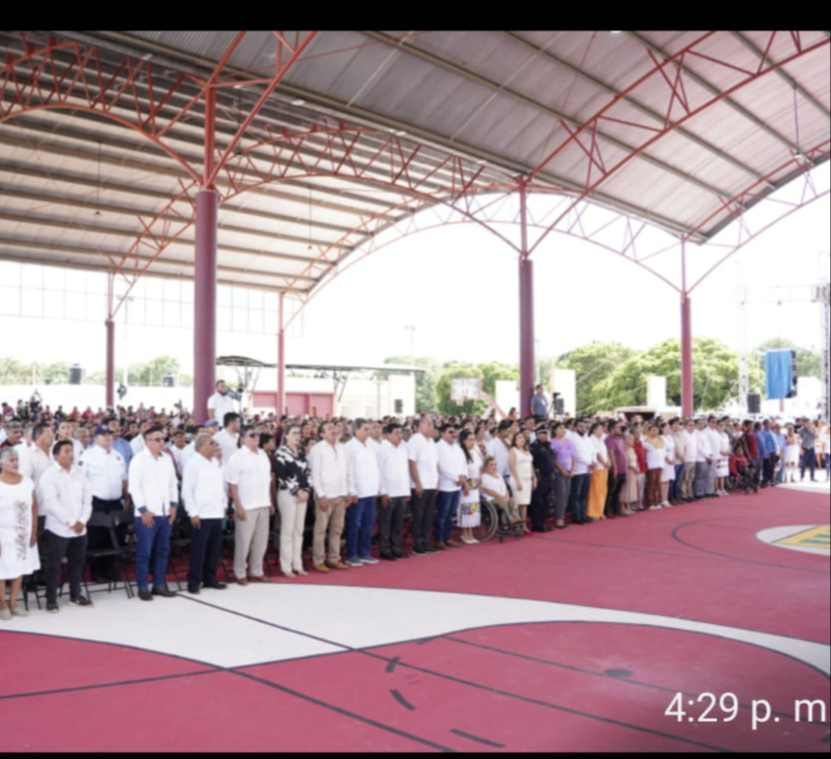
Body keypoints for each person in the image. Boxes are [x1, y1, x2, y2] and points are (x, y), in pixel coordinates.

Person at [37, 440, 93, 613]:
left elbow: (87, 499)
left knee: (77, 563)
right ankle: (51, 598)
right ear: (56, 456)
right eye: (66, 451)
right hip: (58, 529)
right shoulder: (49, 475)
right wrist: (71, 522)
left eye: (72, 451)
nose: (71, 454)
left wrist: (82, 520)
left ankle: (75, 595)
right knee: (54, 565)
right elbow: (51, 503)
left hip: (80, 528)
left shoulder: (80, 473)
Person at [128, 425, 179, 601]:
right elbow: (133, 486)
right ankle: (142, 586)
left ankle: (159, 584)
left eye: (163, 439)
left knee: (163, 550)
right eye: (157, 439)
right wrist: (142, 510)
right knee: (144, 552)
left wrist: (174, 505)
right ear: (147, 442)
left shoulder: (166, 459)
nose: (161, 442)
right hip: (147, 514)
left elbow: (173, 483)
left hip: (165, 513)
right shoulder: (138, 460)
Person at [225, 425, 275, 584]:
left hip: (262, 503)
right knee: (243, 542)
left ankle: (256, 570)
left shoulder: (263, 455)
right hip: (246, 505)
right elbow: (232, 484)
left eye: (258, 435)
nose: (256, 438)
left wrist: (269, 501)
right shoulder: (237, 457)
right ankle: (240, 573)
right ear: (242, 439)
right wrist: (238, 506)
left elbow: (267, 481)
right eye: (252, 435)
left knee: (261, 541)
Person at [79, 425, 128, 582]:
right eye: (104, 434)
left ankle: (109, 568)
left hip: (116, 502)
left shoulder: (118, 455)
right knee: (97, 539)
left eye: (110, 434)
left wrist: (127, 498)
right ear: (96, 438)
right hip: (96, 502)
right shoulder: (87, 456)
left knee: (117, 537)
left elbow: (123, 479)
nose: (108, 437)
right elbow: (80, 482)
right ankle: (97, 571)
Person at [181, 434, 227, 593]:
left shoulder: (215, 462)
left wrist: (224, 504)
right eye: (211, 443)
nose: (215, 445)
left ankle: (210, 578)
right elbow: (187, 490)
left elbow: (220, 487)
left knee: (214, 549)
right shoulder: (193, 463)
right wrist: (192, 512)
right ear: (200, 446)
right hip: (201, 514)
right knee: (199, 550)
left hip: (216, 512)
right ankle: (194, 581)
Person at [0, 447, 40, 620]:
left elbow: (34, 507)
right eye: (11, 460)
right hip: (3, 533)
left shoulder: (27, 482)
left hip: (23, 533)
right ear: (2, 463)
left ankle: (14, 603)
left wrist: (33, 531)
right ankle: (2, 604)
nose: (15, 463)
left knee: (19, 568)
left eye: (16, 459)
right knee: (2, 569)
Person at [308, 421, 353, 572]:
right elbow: (315, 474)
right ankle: (318, 560)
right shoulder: (317, 449)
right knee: (321, 530)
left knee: (337, 530)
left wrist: (348, 492)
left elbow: (348, 471)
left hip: (340, 494)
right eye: (329, 429)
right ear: (322, 434)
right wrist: (321, 495)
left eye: (334, 428)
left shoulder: (342, 448)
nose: (334, 431)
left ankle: (334, 558)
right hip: (325, 495)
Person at [274, 425, 311, 577]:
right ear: (286, 435)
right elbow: (282, 475)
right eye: (294, 433)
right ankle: (286, 566)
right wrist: (297, 490)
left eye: (299, 433)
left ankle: (298, 563)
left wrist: (307, 490)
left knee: (299, 530)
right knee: (288, 531)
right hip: (288, 494)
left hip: (303, 495)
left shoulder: (302, 452)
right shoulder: (281, 452)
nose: (298, 436)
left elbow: (308, 472)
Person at [344, 419, 381, 566]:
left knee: (368, 523)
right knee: (355, 524)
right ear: (356, 430)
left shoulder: (370, 446)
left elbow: (374, 468)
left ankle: (365, 552)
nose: (368, 432)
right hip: (357, 492)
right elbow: (349, 471)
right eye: (365, 429)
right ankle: (352, 554)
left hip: (370, 491)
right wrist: (351, 491)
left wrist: (377, 487)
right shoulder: (349, 447)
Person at [407, 416, 440, 555]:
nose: (431, 427)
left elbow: (434, 464)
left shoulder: (432, 441)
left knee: (428, 515)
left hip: (432, 483)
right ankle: (417, 544)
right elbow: (412, 463)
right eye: (428, 424)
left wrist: (437, 481)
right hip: (420, 484)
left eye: (432, 424)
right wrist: (417, 483)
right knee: (418, 515)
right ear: (420, 426)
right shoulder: (415, 440)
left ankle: (425, 541)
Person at [378, 423, 410, 559]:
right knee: (386, 523)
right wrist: (383, 492)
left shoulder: (403, 448)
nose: (399, 436)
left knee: (398, 523)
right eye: (396, 433)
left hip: (401, 491)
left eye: (400, 433)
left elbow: (405, 471)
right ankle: (385, 549)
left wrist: (407, 491)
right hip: (388, 493)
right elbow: (379, 472)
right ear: (388, 435)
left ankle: (395, 547)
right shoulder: (382, 449)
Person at [435, 424, 467, 549]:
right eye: (450, 432)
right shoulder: (438, 447)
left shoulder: (457, 447)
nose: (454, 434)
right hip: (445, 486)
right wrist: (456, 478)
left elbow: (464, 463)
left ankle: (447, 537)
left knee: (451, 514)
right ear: (442, 434)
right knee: (442, 514)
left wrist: (463, 476)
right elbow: (441, 467)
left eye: (454, 432)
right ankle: (439, 539)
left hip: (457, 486)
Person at [480, 456, 521, 526]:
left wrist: (507, 496)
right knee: (502, 502)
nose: (494, 467)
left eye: (495, 464)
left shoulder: (499, 475)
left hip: (502, 497)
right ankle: (509, 519)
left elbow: (505, 488)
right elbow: (489, 490)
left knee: (512, 501)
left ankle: (516, 518)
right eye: (491, 465)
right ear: (486, 466)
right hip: (491, 499)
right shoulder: (484, 477)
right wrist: (501, 497)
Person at [458, 429, 483, 544]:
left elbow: (479, 468)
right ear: (464, 441)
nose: (473, 442)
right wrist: (465, 485)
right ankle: (465, 533)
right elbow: (461, 471)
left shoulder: (475, 453)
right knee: (466, 508)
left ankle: (471, 532)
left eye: (474, 439)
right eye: (470, 440)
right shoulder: (461, 454)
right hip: (466, 484)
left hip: (475, 484)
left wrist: (480, 481)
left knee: (473, 508)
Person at [508, 430, 535, 533]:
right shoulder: (513, 450)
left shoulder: (526, 451)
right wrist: (517, 480)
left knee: (525, 504)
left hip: (527, 479)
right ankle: (516, 525)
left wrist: (534, 477)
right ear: (514, 440)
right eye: (519, 437)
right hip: (517, 479)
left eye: (523, 437)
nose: (522, 439)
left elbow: (530, 464)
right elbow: (512, 466)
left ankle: (523, 525)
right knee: (517, 503)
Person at [529, 425, 555, 532]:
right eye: (543, 433)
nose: (546, 435)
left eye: (547, 433)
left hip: (548, 476)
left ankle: (543, 522)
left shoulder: (548, 445)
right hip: (540, 476)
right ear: (538, 434)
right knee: (538, 501)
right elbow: (531, 463)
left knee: (546, 500)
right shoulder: (534, 447)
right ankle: (537, 524)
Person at [569, 420, 593, 524]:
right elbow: (576, 454)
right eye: (580, 426)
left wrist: (593, 462)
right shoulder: (573, 439)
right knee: (576, 494)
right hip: (578, 470)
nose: (583, 428)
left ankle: (583, 514)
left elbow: (592, 451)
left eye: (585, 426)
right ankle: (576, 516)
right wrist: (589, 462)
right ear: (575, 428)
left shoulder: (587, 438)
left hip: (588, 470)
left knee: (584, 494)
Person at [550, 423, 574, 529]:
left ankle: (562, 516)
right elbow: (554, 459)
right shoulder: (553, 443)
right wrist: (562, 470)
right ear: (555, 430)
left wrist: (572, 470)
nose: (562, 430)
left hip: (569, 470)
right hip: (558, 472)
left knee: (567, 494)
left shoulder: (569, 442)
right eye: (560, 428)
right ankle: (559, 518)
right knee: (561, 494)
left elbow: (573, 457)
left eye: (563, 428)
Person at [586, 422, 610, 521]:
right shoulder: (591, 439)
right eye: (599, 429)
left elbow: (605, 452)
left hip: (604, 468)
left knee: (602, 491)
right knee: (595, 491)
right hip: (597, 468)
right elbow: (597, 454)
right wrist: (604, 462)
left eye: (601, 429)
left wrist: (608, 461)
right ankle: (593, 512)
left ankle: (600, 511)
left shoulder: (601, 440)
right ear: (593, 430)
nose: (601, 431)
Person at [604, 420, 628, 518]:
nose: (620, 429)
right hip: (615, 470)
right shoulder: (609, 440)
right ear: (611, 429)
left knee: (618, 491)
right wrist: (615, 468)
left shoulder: (620, 439)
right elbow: (611, 454)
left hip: (623, 468)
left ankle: (616, 509)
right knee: (610, 491)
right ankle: (607, 510)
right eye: (617, 428)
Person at [642, 424, 667, 510]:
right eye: (652, 430)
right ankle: (650, 502)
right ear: (649, 431)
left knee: (658, 484)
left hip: (660, 464)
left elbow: (664, 451)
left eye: (656, 430)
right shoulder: (646, 441)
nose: (655, 432)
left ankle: (658, 501)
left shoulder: (661, 440)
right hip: (651, 464)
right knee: (651, 484)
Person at [621, 432, 640, 516]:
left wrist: (637, 467)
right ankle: (623, 507)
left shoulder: (632, 449)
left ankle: (628, 506)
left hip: (634, 471)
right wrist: (633, 468)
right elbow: (626, 462)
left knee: (631, 488)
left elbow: (635, 460)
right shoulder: (624, 449)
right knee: (626, 488)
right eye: (631, 439)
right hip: (628, 470)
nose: (633, 441)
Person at [659, 421, 676, 508]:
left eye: (669, 428)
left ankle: (666, 498)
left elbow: (673, 449)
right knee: (663, 480)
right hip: (664, 461)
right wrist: (668, 459)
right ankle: (662, 499)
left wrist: (673, 459)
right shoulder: (661, 438)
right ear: (662, 429)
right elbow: (663, 450)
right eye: (666, 428)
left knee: (668, 480)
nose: (668, 429)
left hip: (671, 460)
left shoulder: (670, 437)